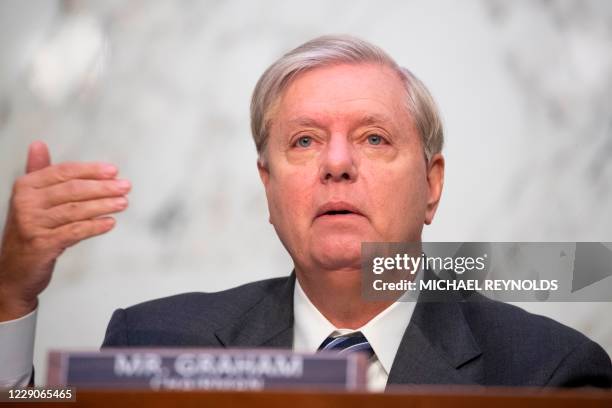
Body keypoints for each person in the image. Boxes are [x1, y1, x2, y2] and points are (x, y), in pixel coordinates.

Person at [0, 35, 610, 390]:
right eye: (304, 141)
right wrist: (11, 299)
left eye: (374, 138)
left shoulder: (546, 370)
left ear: (432, 185)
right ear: (267, 185)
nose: (337, 164)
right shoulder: (154, 341)